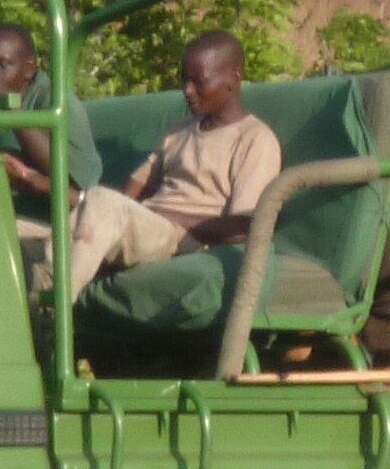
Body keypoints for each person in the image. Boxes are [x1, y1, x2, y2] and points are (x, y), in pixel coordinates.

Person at [57, 31, 280, 298]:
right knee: (24, 234)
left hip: (186, 240)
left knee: (101, 201)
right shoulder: (181, 130)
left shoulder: (255, 139)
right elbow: (135, 190)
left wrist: (167, 217)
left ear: (233, 78)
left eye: (199, 82)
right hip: (148, 226)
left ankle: (53, 308)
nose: (187, 91)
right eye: (185, 80)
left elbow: (242, 229)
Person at [0, 22, 57, 219]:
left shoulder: (53, 99)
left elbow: (61, 168)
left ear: (29, 69)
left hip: (48, 221)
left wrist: (4, 95)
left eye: (3, 65)